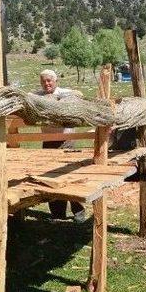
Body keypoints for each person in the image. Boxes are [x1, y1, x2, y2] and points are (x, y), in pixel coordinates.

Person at [37, 69, 87, 222]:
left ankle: (78, 213)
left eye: (49, 80)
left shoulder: (63, 92)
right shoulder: (37, 96)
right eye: (44, 81)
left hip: (66, 140)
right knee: (50, 177)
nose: (47, 84)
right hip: (48, 141)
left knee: (69, 175)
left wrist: (59, 98)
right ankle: (57, 214)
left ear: (55, 81)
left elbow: (79, 94)